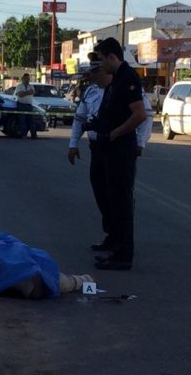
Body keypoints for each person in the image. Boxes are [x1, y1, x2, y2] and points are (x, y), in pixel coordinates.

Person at [68, 55, 153, 259]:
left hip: (118, 148)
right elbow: (80, 119)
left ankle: (121, 243)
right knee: (101, 193)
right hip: (98, 147)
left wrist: (140, 142)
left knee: (120, 197)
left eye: (96, 71)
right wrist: (73, 144)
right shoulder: (91, 91)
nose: (92, 76)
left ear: (105, 70)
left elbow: (145, 115)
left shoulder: (123, 87)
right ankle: (112, 235)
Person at [86, 37, 147, 271]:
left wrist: (114, 134)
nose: (100, 66)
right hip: (109, 150)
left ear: (112, 56)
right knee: (112, 199)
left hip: (121, 150)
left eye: (102, 60)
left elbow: (139, 115)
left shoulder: (128, 79)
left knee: (122, 202)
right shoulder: (116, 80)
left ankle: (124, 255)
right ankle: (116, 245)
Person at [14, 73, 37, 139]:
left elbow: (32, 92)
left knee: (31, 120)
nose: (28, 80)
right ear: (23, 79)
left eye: (28, 78)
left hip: (29, 105)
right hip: (21, 105)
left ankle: (33, 135)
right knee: (22, 120)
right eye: (26, 78)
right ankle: (23, 134)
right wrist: (28, 92)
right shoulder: (19, 86)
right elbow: (20, 94)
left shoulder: (31, 86)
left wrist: (24, 93)